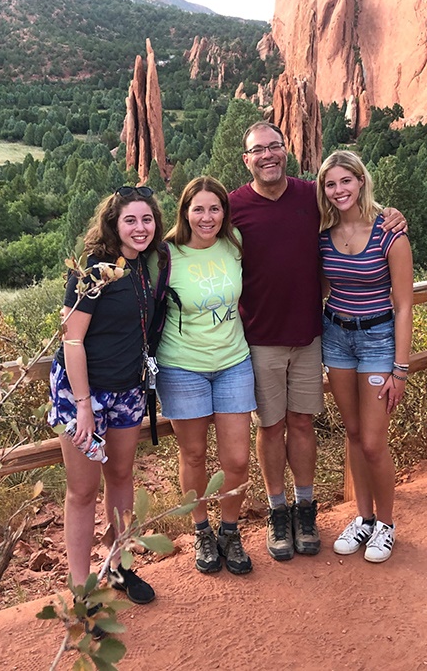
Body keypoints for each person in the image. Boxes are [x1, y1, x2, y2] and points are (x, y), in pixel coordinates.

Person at [229, 121, 406, 562]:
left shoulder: (311, 195)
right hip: (265, 338)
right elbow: (194, 237)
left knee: (312, 426)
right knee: (272, 427)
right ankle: (279, 511)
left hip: (313, 336)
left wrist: (390, 212)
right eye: (258, 150)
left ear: (286, 149)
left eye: (275, 146)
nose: (268, 155)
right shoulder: (232, 207)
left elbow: (352, 203)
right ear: (246, 158)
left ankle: (310, 510)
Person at [48, 186, 165, 632]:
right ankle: (82, 593)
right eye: (131, 220)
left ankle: (117, 566)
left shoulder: (141, 267)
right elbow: (71, 339)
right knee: (82, 491)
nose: (140, 228)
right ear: (113, 223)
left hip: (126, 391)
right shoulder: (94, 273)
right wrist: (83, 406)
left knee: (120, 477)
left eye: (147, 220)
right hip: (84, 394)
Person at [151, 176, 256, 575]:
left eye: (215, 209)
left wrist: (383, 215)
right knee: (193, 454)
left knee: (237, 459)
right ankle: (201, 530)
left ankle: (230, 530)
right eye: (199, 209)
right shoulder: (166, 254)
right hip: (182, 366)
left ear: (225, 213)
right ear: (185, 211)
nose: (207, 217)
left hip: (233, 361)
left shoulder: (235, 244)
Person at [317, 150, 413, 563]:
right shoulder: (322, 234)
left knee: (374, 442)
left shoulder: (390, 233)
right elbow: (319, 288)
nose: (339, 190)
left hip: (377, 341)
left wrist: (401, 369)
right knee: (353, 433)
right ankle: (364, 520)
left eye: (345, 181)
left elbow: (405, 305)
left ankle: (387, 525)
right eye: (330, 183)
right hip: (336, 337)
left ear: (361, 181)